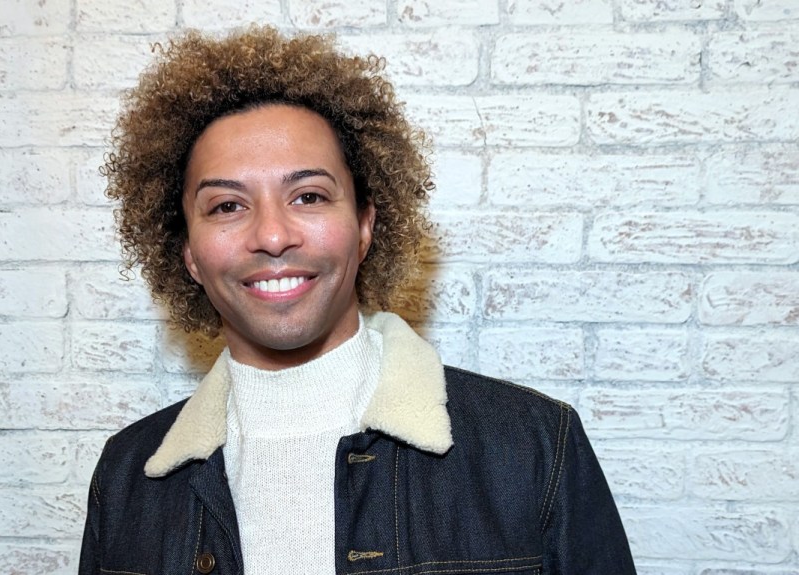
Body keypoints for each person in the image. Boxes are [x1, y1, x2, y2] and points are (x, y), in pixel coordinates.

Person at [79, 26, 635, 575]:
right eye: (226, 206)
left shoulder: (534, 447)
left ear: (365, 224)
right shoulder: (127, 478)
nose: (272, 236)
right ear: (189, 254)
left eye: (309, 196)